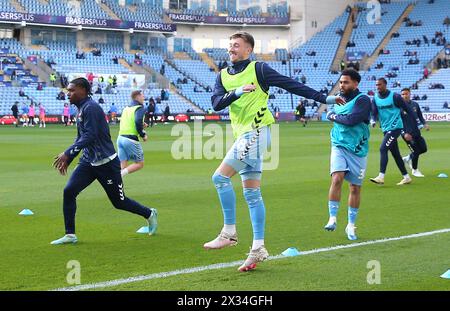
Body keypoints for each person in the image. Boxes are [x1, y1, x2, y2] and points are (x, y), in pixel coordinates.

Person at [204, 31, 344, 272]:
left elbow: (291, 85)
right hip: (245, 136)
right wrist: (238, 92)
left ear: (248, 49)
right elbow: (216, 103)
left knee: (219, 177)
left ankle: (229, 232)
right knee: (252, 194)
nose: (231, 49)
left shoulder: (259, 69)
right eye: (230, 46)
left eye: (236, 46)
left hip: (257, 132)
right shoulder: (223, 76)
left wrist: (324, 98)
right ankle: (258, 247)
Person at [51, 78, 158, 245]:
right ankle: (70, 234)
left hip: (106, 163)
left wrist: (67, 152)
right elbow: (81, 137)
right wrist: (70, 158)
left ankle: (149, 213)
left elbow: (91, 135)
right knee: (69, 191)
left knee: (119, 202)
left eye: (72, 90)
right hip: (88, 161)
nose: (68, 94)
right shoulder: (81, 109)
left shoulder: (91, 108)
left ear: (83, 90)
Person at [324, 69, 371, 241]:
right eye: (341, 82)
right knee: (336, 178)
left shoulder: (363, 100)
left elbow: (352, 120)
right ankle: (332, 218)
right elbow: (330, 111)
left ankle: (351, 225)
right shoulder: (336, 98)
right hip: (338, 144)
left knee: (354, 188)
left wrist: (333, 116)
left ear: (355, 83)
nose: (342, 85)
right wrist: (333, 114)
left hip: (358, 149)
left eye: (346, 82)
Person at [369, 78, 421, 186]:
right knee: (396, 154)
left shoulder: (395, 96)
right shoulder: (375, 98)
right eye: (376, 85)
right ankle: (406, 177)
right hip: (385, 128)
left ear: (385, 85)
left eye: (380, 84)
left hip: (395, 127)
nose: (377, 87)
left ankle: (381, 177)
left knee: (383, 149)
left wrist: (417, 122)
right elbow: (374, 112)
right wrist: (373, 120)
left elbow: (408, 109)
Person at [117, 90, 148, 177]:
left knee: (122, 166)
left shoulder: (126, 108)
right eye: (142, 96)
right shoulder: (139, 108)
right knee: (139, 163)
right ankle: (118, 176)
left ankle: (116, 186)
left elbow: (128, 122)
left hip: (120, 138)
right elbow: (137, 121)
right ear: (137, 97)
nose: (143, 98)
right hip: (130, 139)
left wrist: (141, 125)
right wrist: (143, 134)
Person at [400, 88, 428, 177]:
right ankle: (415, 170)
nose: (404, 96)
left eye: (406, 94)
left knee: (423, 149)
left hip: (417, 133)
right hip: (407, 135)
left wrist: (424, 123)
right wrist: (404, 134)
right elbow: (397, 123)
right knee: (416, 151)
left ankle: (408, 158)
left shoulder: (415, 104)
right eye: (403, 94)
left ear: (410, 94)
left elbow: (420, 116)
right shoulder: (399, 107)